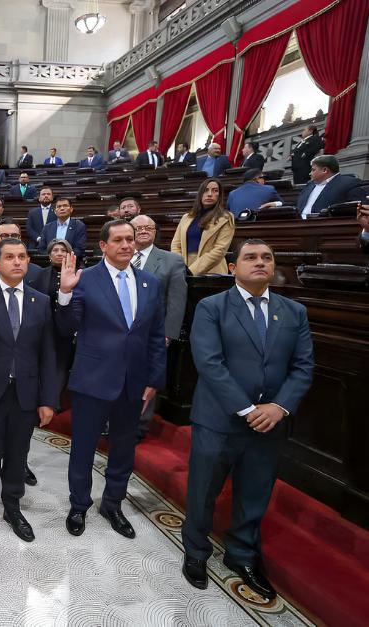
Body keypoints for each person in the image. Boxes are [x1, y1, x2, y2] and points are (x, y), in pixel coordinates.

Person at [182, 239, 314, 600]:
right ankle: (195, 552)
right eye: (250, 257)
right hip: (219, 419)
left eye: (267, 257)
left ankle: (241, 555)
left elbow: (303, 367)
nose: (260, 262)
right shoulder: (212, 307)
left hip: (270, 424)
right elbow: (209, 363)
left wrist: (279, 407)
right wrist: (247, 408)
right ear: (232, 267)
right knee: (203, 490)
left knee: (255, 493)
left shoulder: (293, 312)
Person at [57, 220, 167, 540]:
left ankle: (113, 504)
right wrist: (65, 292)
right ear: (103, 246)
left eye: (130, 239)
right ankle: (79, 505)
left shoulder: (150, 283)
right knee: (83, 448)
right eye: (118, 240)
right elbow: (66, 327)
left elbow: (156, 335)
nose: (126, 245)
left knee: (123, 448)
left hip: (133, 382)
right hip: (93, 380)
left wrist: (153, 379)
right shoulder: (85, 279)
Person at [0, 240, 57, 542]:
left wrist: (48, 399)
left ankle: (12, 507)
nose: (16, 261)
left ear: (28, 261)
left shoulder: (40, 301)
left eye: (21, 256)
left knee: (18, 454)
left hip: (25, 393)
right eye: (9, 257)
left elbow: (48, 354)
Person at [129, 214, 187, 436]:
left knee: (146, 380)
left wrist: (168, 335)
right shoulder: (121, 257)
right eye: (139, 227)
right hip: (119, 330)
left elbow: (176, 301)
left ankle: (139, 427)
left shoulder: (172, 260)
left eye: (148, 228)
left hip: (152, 334)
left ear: (155, 232)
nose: (143, 231)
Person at [30, 239, 73, 411]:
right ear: (49, 255)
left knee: (60, 365)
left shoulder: (78, 274)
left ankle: (53, 402)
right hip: (43, 326)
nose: (59, 253)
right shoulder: (40, 275)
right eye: (55, 250)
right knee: (42, 362)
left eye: (63, 250)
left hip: (65, 329)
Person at [171, 178, 235, 275]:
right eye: (206, 190)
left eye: (215, 190)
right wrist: (180, 267)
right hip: (184, 268)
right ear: (200, 193)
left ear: (219, 195)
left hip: (212, 271)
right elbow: (176, 245)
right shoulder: (186, 217)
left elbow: (220, 250)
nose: (209, 194)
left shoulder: (226, 218)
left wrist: (191, 271)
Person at [297, 154, 364, 219]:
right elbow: (298, 207)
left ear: (325, 170)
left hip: (325, 225)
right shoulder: (309, 185)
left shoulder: (349, 183)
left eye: (313, 170)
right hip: (297, 223)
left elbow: (355, 211)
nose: (310, 173)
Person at [39, 196, 86, 262]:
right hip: (50, 264)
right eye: (59, 206)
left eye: (65, 206)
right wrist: (53, 258)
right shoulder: (47, 227)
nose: (62, 208)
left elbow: (79, 249)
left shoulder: (79, 226)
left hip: (72, 263)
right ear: (55, 211)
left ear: (71, 209)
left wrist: (64, 258)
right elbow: (42, 249)